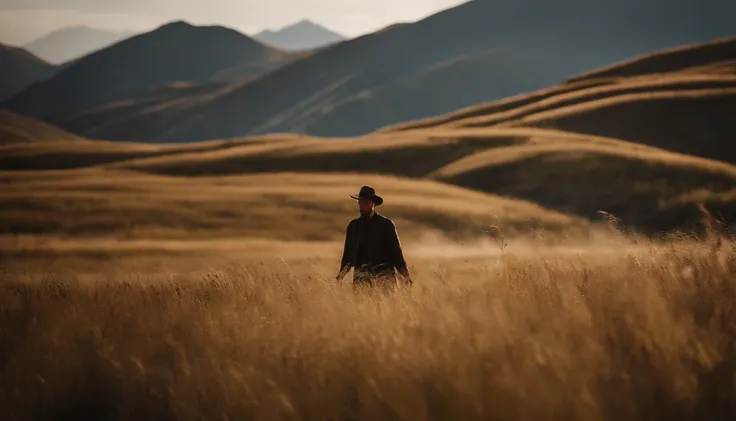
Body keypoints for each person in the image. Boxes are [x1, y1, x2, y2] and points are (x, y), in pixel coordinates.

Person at [336, 185, 412, 290]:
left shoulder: (386, 225)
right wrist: (341, 275)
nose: (362, 207)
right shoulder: (353, 226)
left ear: (373, 204)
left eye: (365, 203)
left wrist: (405, 276)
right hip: (361, 279)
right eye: (360, 203)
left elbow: (396, 253)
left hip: (384, 278)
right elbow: (347, 254)